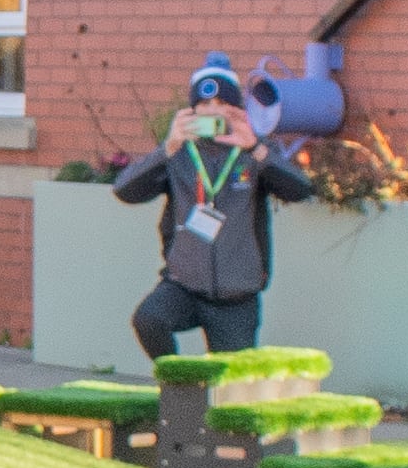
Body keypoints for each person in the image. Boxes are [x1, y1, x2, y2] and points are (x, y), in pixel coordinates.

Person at [105, 59, 311, 361]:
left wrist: (255, 148)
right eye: (204, 104)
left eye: (222, 103)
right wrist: (167, 148)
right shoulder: (178, 153)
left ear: (236, 109)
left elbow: (301, 190)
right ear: (192, 111)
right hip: (183, 286)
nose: (213, 111)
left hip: (236, 297)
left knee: (230, 383)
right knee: (149, 320)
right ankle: (181, 383)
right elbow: (125, 191)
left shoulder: (254, 151)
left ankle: (208, 387)